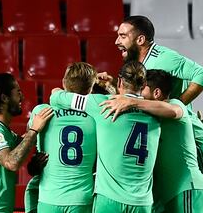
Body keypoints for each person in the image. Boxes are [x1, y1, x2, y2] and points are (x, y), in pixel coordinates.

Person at [101, 15, 203, 213]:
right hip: (169, 139)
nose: (117, 41)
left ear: (140, 39)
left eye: (122, 36)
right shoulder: (142, 65)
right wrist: (110, 87)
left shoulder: (163, 57)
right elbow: (132, 100)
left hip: (192, 140)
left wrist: (179, 106)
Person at [50, 61, 161, 213]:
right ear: (144, 84)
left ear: (120, 81)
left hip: (109, 199)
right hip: (142, 202)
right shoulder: (157, 112)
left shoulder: (101, 104)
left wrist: (58, 90)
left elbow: (57, 98)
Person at [101, 69, 203, 213]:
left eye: (142, 89)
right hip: (171, 197)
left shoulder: (174, 104)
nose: (138, 93)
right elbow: (125, 101)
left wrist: (132, 102)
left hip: (188, 191)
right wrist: (110, 87)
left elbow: (174, 111)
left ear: (157, 93)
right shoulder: (150, 113)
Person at [0, 73, 53, 213]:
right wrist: (34, 130)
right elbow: (12, 162)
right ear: (4, 98)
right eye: (18, 92)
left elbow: (23, 145)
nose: (22, 97)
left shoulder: (2, 130)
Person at [26, 63, 97, 213]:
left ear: (64, 82)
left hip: (50, 197)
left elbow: (29, 136)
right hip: (82, 198)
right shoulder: (95, 118)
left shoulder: (41, 111)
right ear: (91, 88)